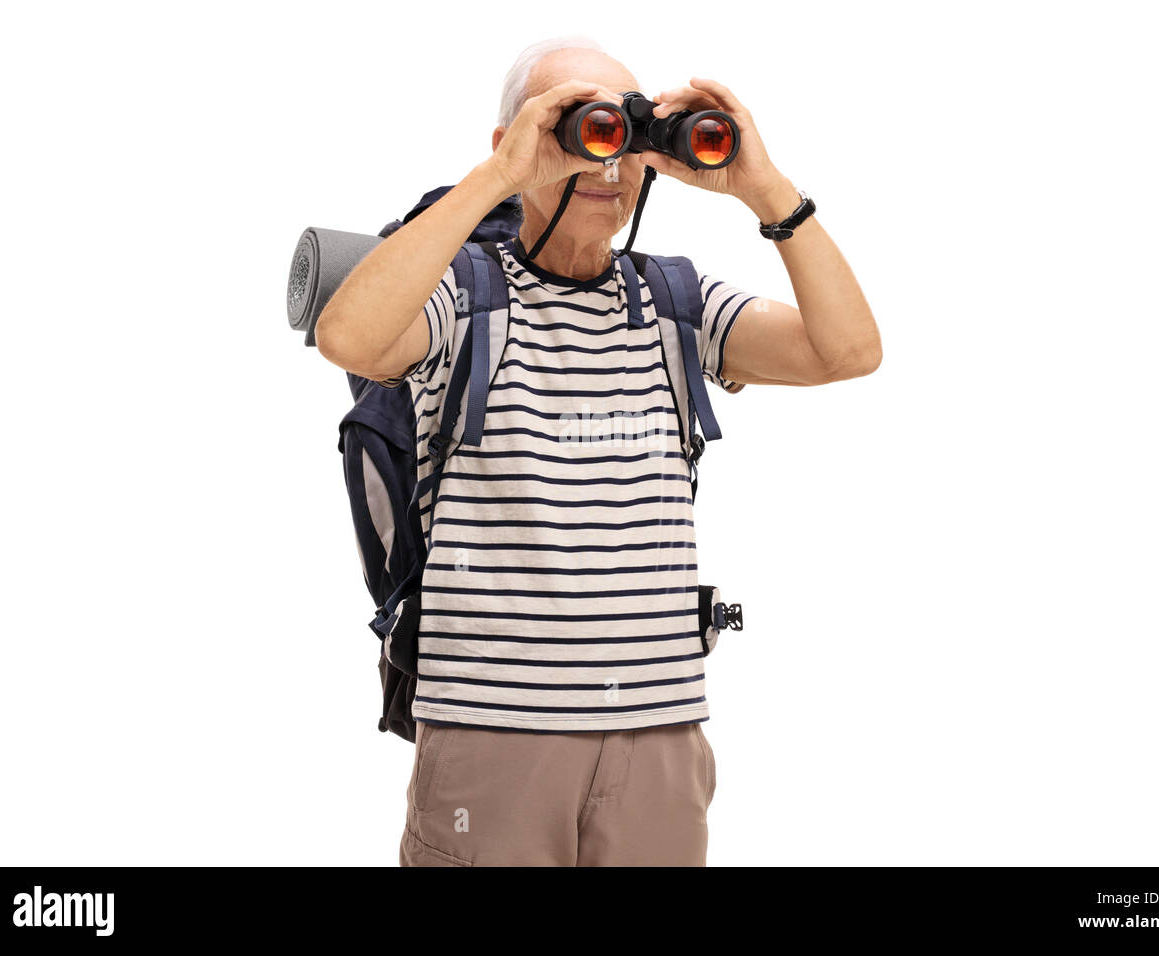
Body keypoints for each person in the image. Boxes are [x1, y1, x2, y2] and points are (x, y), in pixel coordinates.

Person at [314, 37, 881, 866]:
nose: (608, 162)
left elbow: (849, 352)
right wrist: (502, 176)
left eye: (626, 133)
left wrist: (766, 190)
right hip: (493, 731)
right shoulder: (464, 295)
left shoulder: (676, 303)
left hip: (660, 732)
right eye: (580, 126)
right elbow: (350, 336)